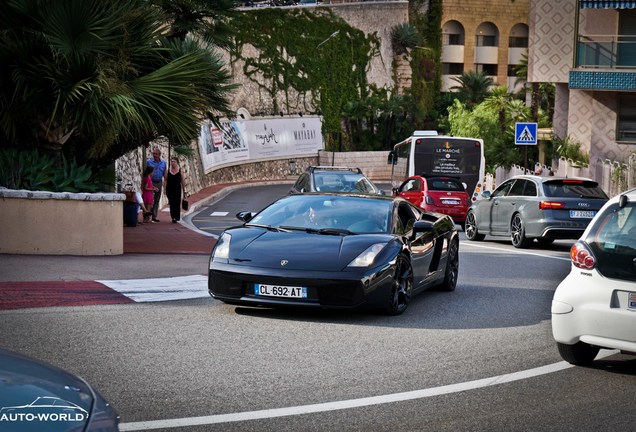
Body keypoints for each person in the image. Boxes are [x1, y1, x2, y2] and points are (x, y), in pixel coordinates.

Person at [146, 147, 167, 222]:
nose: (154, 155)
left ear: (159, 155)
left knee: (157, 200)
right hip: (151, 182)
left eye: (156, 154)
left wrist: (165, 184)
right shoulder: (149, 162)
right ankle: (149, 215)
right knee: (150, 200)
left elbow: (165, 174)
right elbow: (146, 172)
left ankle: (154, 216)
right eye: (153, 154)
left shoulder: (163, 163)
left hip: (159, 182)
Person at [165, 157, 187, 223]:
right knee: (172, 202)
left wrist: (184, 190)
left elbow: (183, 181)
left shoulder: (180, 171)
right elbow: (165, 180)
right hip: (169, 189)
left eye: (174, 161)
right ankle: (173, 217)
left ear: (177, 162)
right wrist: (164, 189)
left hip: (177, 189)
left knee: (177, 202)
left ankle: (177, 217)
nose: (172, 163)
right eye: (171, 161)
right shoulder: (168, 170)